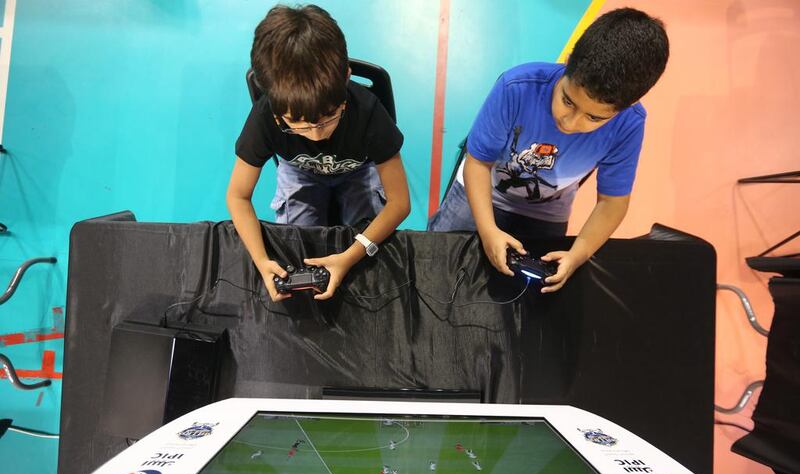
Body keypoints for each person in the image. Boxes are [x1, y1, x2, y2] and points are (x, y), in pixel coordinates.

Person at [428, 8, 669, 293]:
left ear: (622, 110)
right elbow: (478, 163)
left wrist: (578, 254)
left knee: (528, 297)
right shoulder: (516, 87)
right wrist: (488, 229)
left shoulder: (628, 124)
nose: (570, 122)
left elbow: (612, 202)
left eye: (594, 118)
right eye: (568, 101)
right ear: (568, 64)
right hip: (480, 193)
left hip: (546, 213)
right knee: (436, 268)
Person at [227, 4, 410, 302]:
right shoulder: (263, 117)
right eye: (296, 123)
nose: (315, 133)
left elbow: (399, 202)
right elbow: (237, 196)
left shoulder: (368, 112)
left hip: (358, 171)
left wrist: (350, 255)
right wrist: (260, 260)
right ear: (272, 104)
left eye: (328, 116)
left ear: (346, 77)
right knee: (295, 251)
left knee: (366, 259)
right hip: (299, 172)